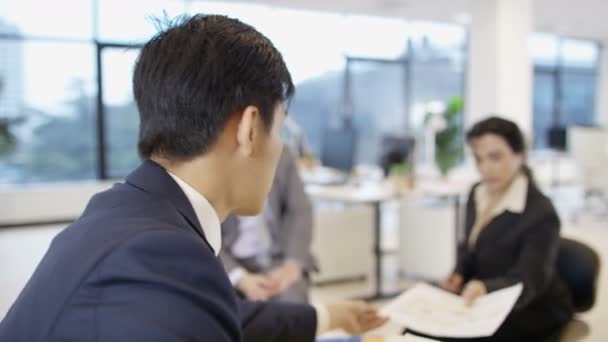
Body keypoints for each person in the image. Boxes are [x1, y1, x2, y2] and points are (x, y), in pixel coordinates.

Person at [0, 14, 386, 342]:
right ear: (250, 128)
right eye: (280, 129)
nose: (280, 149)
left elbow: (216, 310)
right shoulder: (166, 256)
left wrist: (327, 317)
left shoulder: (125, 210)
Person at [414, 117, 573, 342]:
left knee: (456, 336)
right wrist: (459, 272)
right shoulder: (477, 192)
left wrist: (485, 287)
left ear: (520, 155)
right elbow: (471, 245)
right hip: (485, 296)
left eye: (495, 157)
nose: (484, 168)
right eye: (478, 159)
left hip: (531, 305)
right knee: (418, 323)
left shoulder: (540, 212)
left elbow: (530, 280)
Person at [221, 148, 316, 303]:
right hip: (230, 262)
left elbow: (301, 211)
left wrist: (292, 264)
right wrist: (239, 277)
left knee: (292, 304)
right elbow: (201, 233)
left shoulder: (282, 155)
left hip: (278, 258)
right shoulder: (213, 159)